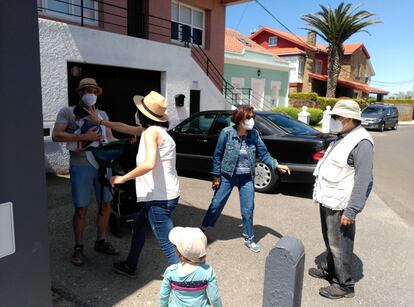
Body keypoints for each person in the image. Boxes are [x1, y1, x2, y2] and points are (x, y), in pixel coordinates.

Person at [87, 91, 180, 278]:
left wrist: (122, 178)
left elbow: (148, 164)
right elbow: (124, 127)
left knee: (168, 246)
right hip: (165, 194)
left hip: (159, 198)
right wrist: (101, 122)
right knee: (138, 226)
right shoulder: (153, 131)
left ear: (143, 114)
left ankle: (190, 285)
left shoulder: (151, 132)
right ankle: (130, 265)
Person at [200, 106, 290, 253]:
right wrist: (216, 176)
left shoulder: (254, 135)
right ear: (240, 118)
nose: (252, 120)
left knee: (248, 209)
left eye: (253, 117)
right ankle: (202, 230)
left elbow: (264, 154)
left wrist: (276, 164)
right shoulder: (227, 133)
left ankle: (249, 238)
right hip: (227, 176)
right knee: (216, 204)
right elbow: (217, 155)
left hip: (247, 178)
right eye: (249, 117)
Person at [309, 99, 374, 299]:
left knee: (340, 245)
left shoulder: (362, 142)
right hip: (329, 198)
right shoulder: (344, 136)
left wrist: (352, 210)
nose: (335, 120)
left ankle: (344, 285)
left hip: (341, 206)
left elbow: (364, 180)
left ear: (347, 118)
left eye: (337, 117)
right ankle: (330, 270)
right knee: (330, 241)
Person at [52, 78, 119, 266]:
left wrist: (122, 143)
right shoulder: (68, 112)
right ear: (80, 93)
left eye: (94, 91)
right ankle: (79, 246)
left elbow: (110, 137)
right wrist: (84, 136)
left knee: (106, 204)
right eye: (87, 90)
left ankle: (101, 241)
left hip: (103, 163)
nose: (91, 93)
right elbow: (56, 135)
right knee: (81, 207)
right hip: (81, 164)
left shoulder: (102, 113)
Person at [160, 227, 222, 307]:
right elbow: (215, 297)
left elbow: (163, 296)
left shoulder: (171, 272)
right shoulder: (207, 271)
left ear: (178, 251)